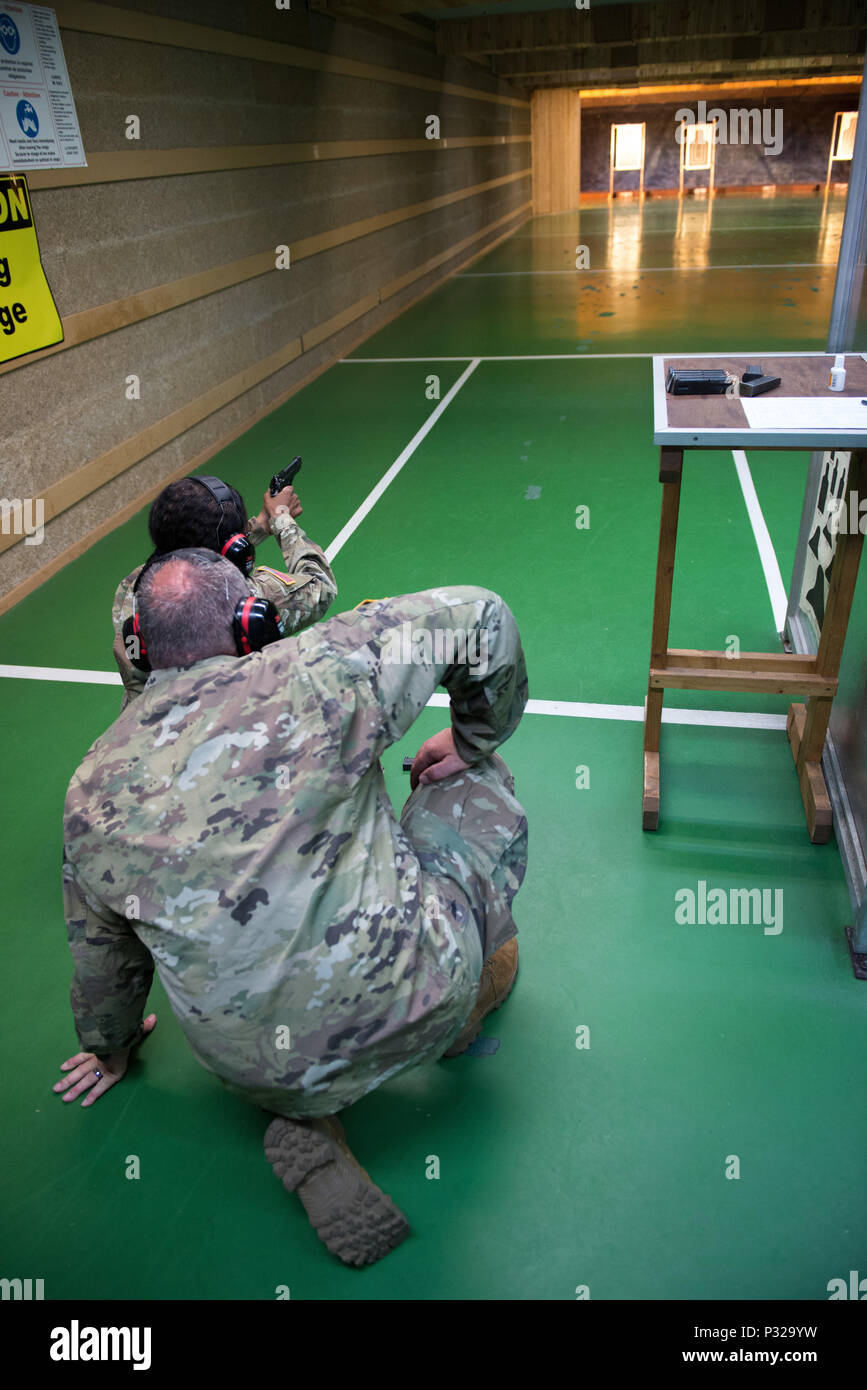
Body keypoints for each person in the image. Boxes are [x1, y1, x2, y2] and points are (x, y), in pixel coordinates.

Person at [56, 549, 528, 1267]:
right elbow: (481, 614)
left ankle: (307, 1113)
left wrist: (108, 1045)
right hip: (416, 1001)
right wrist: (471, 739)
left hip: (252, 1068)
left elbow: (103, 957)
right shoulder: (317, 668)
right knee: (480, 785)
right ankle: (464, 1012)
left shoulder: (89, 789)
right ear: (251, 622)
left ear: (138, 648)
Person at [111, 472, 337, 708]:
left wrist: (259, 525)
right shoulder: (243, 597)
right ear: (234, 549)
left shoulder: (133, 585)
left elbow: (196, 552)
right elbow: (320, 584)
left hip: (144, 727)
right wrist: (281, 518)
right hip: (225, 727)